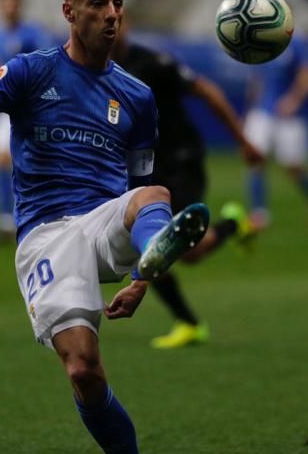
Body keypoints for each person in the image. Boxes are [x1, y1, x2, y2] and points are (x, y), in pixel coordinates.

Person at [0, 0, 209, 453]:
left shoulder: (138, 96)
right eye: (98, 2)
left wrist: (142, 279)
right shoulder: (30, 71)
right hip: (46, 235)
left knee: (156, 194)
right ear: (69, 10)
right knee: (84, 369)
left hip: (103, 222)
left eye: (119, 3)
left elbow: (141, 184)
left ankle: (155, 253)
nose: (112, 13)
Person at [113, 21, 264, 349]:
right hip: (144, 170)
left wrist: (242, 140)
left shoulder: (154, 63)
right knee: (153, 246)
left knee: (178, 250)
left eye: (117, 21)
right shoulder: (96, 72)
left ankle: (230, 226)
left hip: (181, 160)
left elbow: (208, 91)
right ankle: (189, 322)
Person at [244, 33, 308, 231]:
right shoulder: (260, 42)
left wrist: (294, 99)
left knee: (294, 166)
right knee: (254, 158)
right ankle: (259, 214)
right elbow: (257, 79)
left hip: (288, 115)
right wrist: (250, 108)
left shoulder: (297, 44)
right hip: (262, 111)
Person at [0, 0, 52, 241]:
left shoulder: (33, 33)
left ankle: (28, 218)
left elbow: (45, 63)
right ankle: (5, 221)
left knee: (21, 161)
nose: (9, 7)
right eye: (5, 2)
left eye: (13, 2)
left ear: (20, 5)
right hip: (5, 104)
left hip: (26, 105)